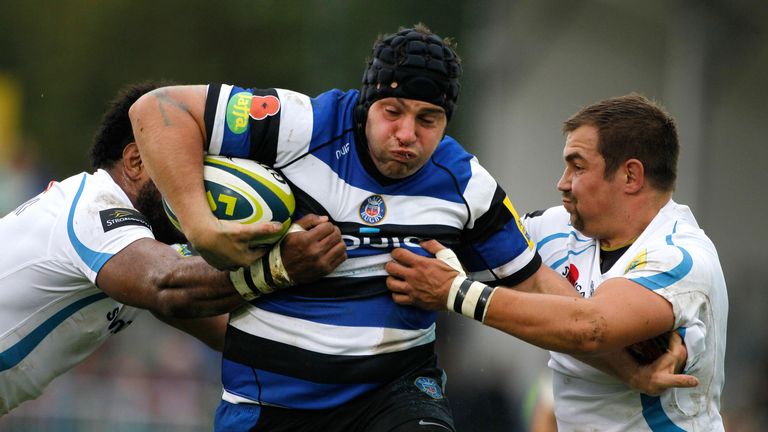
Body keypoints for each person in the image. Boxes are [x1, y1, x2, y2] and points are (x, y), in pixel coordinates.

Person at [129, 23, 579, 431]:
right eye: (393, 111)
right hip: (269, 403)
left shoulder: (467, 186)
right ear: (366, 104)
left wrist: (622, 338)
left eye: (428, 120)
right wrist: (202, 227)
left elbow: (538, 285)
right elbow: (157, 108)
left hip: (395, 397)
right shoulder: (301, 126)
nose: (407, 133)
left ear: (446, 122)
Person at [385, 94, 727, 430]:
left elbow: (589, 329)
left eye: (577, 167)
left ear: (630, 176)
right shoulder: (553, 230)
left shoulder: (681, 256)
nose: (562, 183)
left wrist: (457, 294)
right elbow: (438, 250)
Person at [0, 82, 344, 416]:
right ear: (136, 161)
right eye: (187, 163)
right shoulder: (94, 208)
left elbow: (228, 329)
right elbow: (168, 284)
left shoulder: (142, 246)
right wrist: (278, 266)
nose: (196, 184)